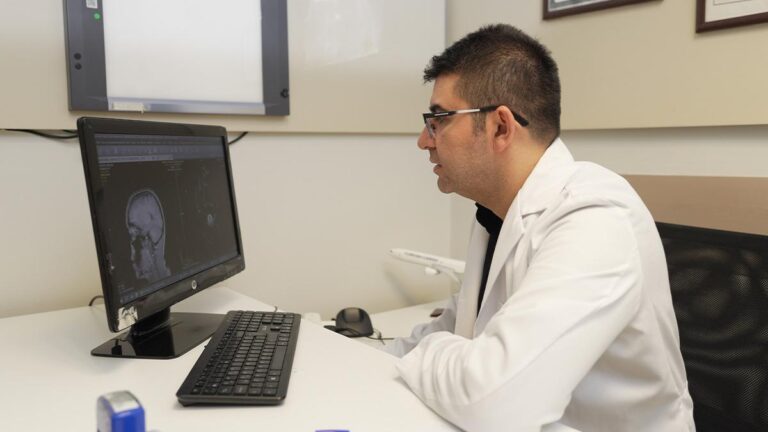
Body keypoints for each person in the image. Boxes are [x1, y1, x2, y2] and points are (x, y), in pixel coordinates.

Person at [384, 24, 695, 432]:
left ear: (500, 127)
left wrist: (428, 353)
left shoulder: (596, 219)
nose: (425, 141)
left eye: (438, 120)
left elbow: (496, 402)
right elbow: (461, 326)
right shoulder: (497, 214)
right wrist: (377, 356)